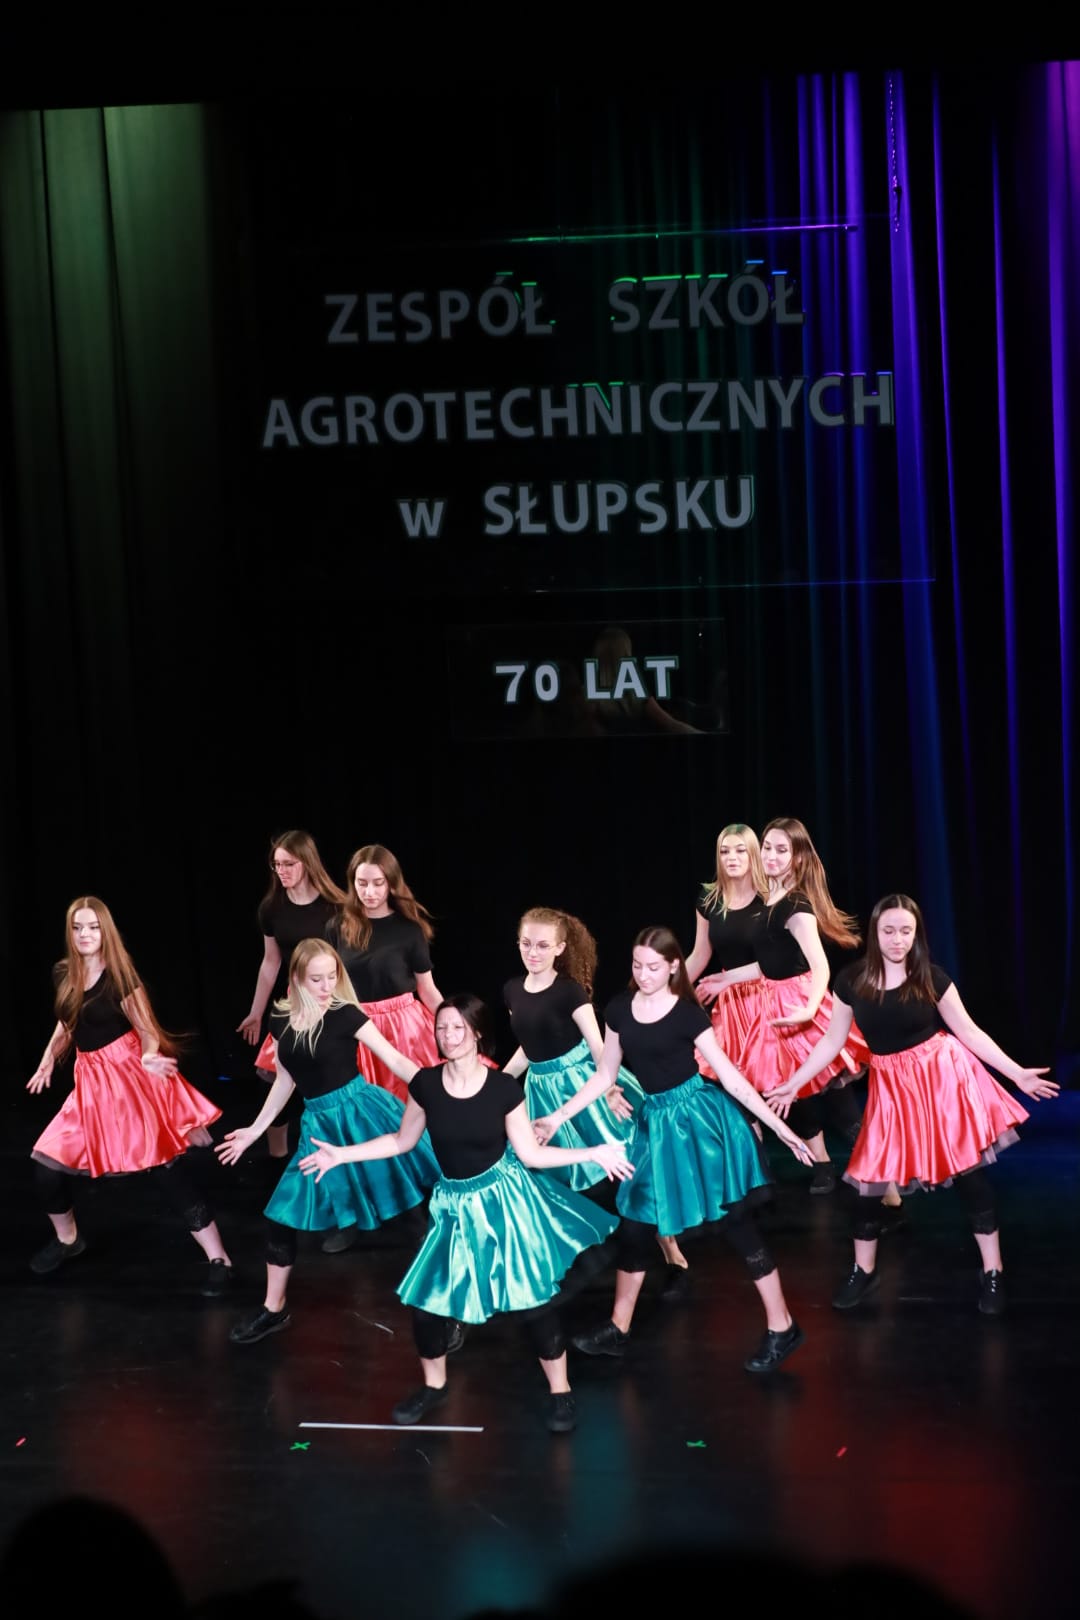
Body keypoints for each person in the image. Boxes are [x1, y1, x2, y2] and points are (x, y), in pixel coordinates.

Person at [299, 993, 634, 1434]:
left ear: (476, 1034)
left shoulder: (502, 1089)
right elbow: (401, 1141)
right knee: (426, 1303)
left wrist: (592, 1152)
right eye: (441, 1028)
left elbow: (531, 1154)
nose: (448, 1036)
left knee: (533, 1302)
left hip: (504, 1202)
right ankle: (434, 1386)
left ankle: (560, 1390)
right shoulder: (426, 1085)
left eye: (458, 1028)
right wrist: (342, 1155)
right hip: (453, 1207)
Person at [765, 894, 1058, 1315]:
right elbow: (831, 1041)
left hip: (941, 1081)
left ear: (916, 934)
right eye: (889, 931)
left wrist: (1016, 1073)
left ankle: (993, 1271)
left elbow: (969, 1033)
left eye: (906, 931)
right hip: (891, 1090)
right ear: (875, 933)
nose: (897, 939)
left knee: (970, 1177)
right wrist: (794, 1083)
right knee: (867, 1184)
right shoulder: (852, 982)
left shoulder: (931, 978)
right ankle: (864, 1271)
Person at [556, 926, 815, 1374]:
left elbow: (731, 1078)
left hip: (700, 1122)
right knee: (636, 1224)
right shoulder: (619, 1010)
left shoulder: (687, 1015)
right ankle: (618, 1327)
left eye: (653, 967)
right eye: (637, 966)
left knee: (736, 1223)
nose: (644, 975)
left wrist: (781, 1129)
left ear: (674, 967)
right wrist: (557, 1117)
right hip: (654, 1126)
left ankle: (783, 1325)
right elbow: (604, 1075)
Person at [218, 939, 438, 1344]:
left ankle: (449, 1306)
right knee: (281, 1218)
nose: (325, 987)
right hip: (319, 1128)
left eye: (331, 977)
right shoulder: (280, 1019)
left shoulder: (345, 1014)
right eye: (316, 979)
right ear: (297, 979)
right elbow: (286, 1080)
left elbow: (394, 1059)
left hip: (362, 1116)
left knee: (410, 1214)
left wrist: (439, 1090)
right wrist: (255, 1129)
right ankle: (273, 1309)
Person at [27, 897, 234, 1292]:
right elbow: (67, 1022)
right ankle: (69, 1240)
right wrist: (47, 1060)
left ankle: (219, 1258)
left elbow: (148, 1030)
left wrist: (150, 1055)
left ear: (105, 931)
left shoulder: (120, 978)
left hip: (128, 1078)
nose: (85, 934)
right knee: (46, 1167)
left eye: (93, 927)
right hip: (90, 1083)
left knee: (165, 1171)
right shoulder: (63, 972)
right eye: (78, 927)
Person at [504, 906, 691, 1294]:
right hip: (541, 1090)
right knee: (559, 1175)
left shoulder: (569, 991)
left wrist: (608, 1090)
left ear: (560, 947)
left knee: (627, 1169)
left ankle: (670, 1250)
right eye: (526, 944)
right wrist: (500, 1082)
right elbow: (529, 1044)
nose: (533, 952)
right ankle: (585, 1251)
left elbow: (598, 1045)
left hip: (582, 1083)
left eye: (542, 945)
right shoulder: (512, 989)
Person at [320, 843, 449, 1253]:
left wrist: (454, 1027)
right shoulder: (337, 926)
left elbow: (427, 989)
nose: (370, 892)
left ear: (391, 884)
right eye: (362, 883)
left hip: (403, 1031)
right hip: (355, 1030)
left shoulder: (409, 930)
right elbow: (325, 985)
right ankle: (355, 1213)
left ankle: (419, 1208)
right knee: (357, 1121)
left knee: (407, 1117)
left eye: (378, 883)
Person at [735, 816, 870, 1193]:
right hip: (775, 1006)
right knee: (798, 1094)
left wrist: (810, 1009)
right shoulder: (768, 899)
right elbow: (771, 962)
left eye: (782, 850)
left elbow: (820, 965)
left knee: (838, 1101)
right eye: (767, 848)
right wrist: (726, 979)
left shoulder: (796, 905)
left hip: (801, 1004)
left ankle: (885, 1188)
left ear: (797, 858)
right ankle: (824, 1166)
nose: (771, 856)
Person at [236, 831, 348, 1164]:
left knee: (331, 1078)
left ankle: (339, 1154)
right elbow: (271, 962)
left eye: (289, 864)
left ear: (307, 863)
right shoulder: (272, 908)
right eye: (277, 865)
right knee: (271, 1077)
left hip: (331, 1000)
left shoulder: (335, 906)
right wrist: (256, 1012)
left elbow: (348, 962)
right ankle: (277, 1156)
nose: (281, 871)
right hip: (295, 1004)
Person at [684, 822, 769, 1067]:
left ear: (753, 854)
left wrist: (728, 979)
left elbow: (779, 959)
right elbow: (700, 954)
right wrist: (667, 990)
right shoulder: (709, 899)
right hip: (733, 1001)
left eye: (740, 850)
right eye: (725, 851)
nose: (731, 857)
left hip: (769, 994)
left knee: (769, 1070)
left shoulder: (769, 898)